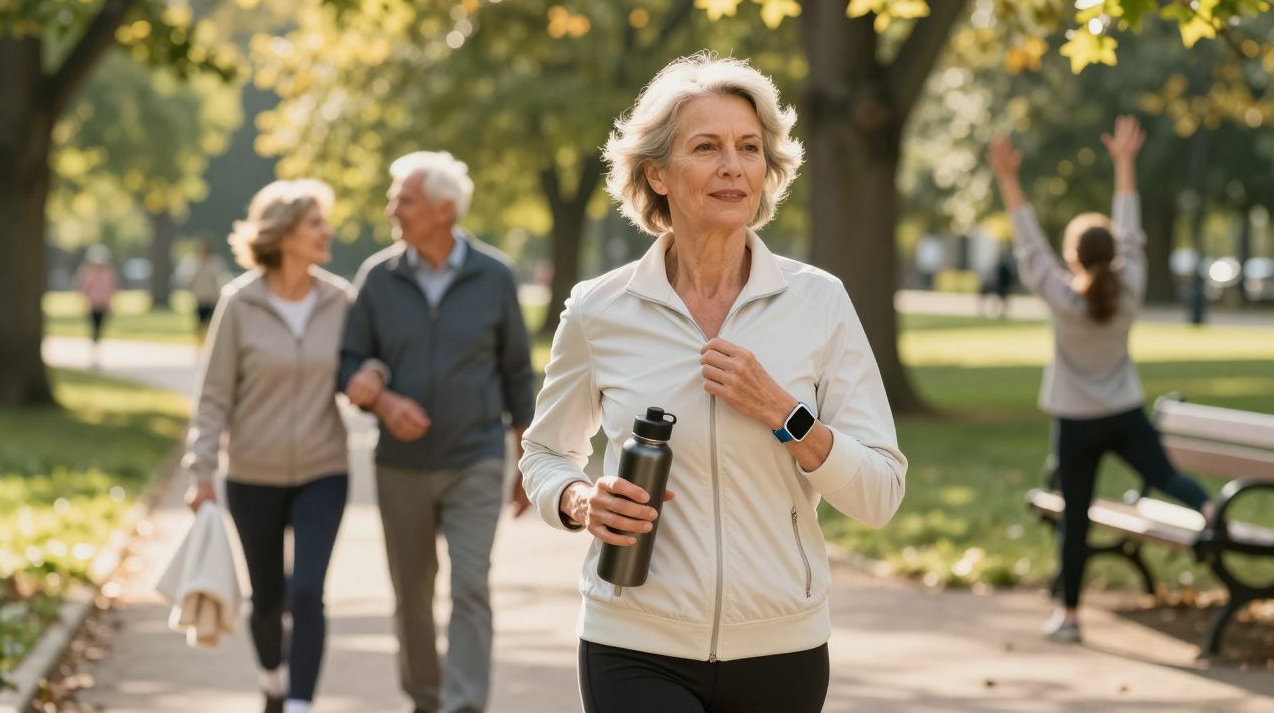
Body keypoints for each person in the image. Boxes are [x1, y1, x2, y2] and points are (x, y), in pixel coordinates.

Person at [519, 54, 908, 713]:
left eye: (749, 148)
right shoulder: (599, 309)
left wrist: (787, 414)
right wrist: (581, 502)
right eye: (707, 147)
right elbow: (545, 454)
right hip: (633, 643)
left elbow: (880, 495)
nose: (733, 165)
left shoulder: (819, 302)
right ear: (657, 173)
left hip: (781, 646)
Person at [986, 116, 1213, 644]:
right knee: (1165, 477)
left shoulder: (1064, 299)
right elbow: (1131, 235)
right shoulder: (1129, 290)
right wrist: (1125, 164)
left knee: (1076, 518)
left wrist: (1009, 179)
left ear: (1073, 257)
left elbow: (1029, 248)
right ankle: (1209, 509)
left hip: (1075, 420)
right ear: (1113, 255)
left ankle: (1069, 616)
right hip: (1124, 412)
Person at [339, 151, 535, 713]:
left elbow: (517, 370)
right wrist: (381, 398)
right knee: (412, 597)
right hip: (399, 467)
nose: (391, 209)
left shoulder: (493, 276)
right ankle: (426, 700)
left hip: (475, 458)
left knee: (470, 587)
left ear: (444, 210)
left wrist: (527, 457)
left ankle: (464, 705)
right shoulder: (378, 277)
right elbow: (350, 359)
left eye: (404, 199)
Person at [182, 179, 353, 713]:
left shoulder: (340, 300)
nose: (327, 232)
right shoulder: (240, 303)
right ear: (283, 235)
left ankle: (300, 703)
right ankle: (273, 684)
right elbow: (213, 396)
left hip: (324, 469)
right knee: (267, 597)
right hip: (251, 473)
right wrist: (200, 471)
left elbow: (363, 364)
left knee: (306, 591)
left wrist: (370, 373)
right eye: (315, 224)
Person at [75, 244, 117, 366]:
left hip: (103, 305)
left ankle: (97, 352)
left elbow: (112, 290)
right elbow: (83, 289)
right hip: (93, 305)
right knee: (94, 329)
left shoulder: (108, 273)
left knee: (100, 329)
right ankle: (94, 353)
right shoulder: (88, 274)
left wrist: (110, 303)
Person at [182, 241, 230, 344]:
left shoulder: (216, 263)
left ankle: (210, 344)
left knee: (212, 324)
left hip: (212, 299)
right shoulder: (194, 263)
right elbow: (189, 280)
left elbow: (221, 279)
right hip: (199, 298)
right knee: (199, 325)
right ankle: (200, 344)